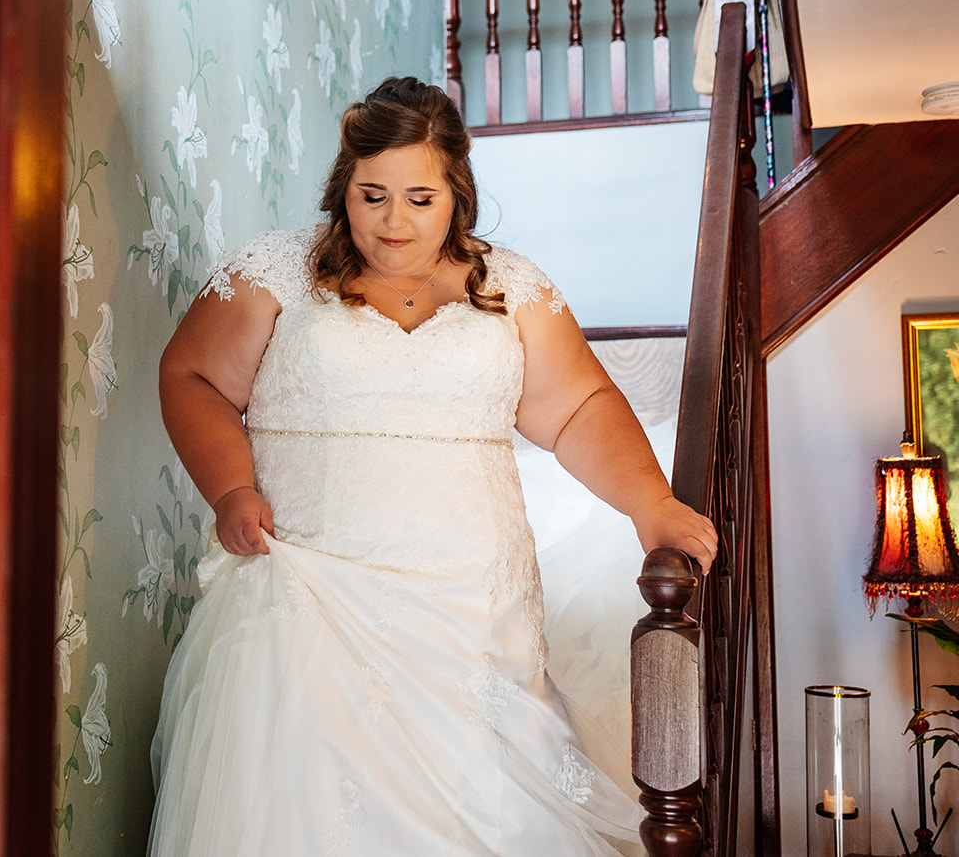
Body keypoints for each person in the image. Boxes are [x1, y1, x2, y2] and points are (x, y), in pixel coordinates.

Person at [148, 76, 717, 856]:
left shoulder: (509, 288)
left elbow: (581, 408)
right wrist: (230, 487)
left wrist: (650, 502)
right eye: (372, 194)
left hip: (471, 615)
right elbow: (193, 377)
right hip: (311, 600)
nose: (393, 220)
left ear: (458, 192)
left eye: (420, 197)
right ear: (342, 186)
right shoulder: (274, 276)